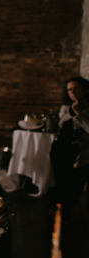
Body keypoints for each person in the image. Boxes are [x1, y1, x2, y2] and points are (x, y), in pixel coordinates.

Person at [51, 76, 89, 208]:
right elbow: (60, 128)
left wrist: (79, 114)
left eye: (76, 88)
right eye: (69, 90)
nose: (72, 92)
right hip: (61, 153)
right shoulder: (65, 108)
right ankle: (60, 220)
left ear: (85, 89)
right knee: (59, 189)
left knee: (73, 192)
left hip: (80, 157)